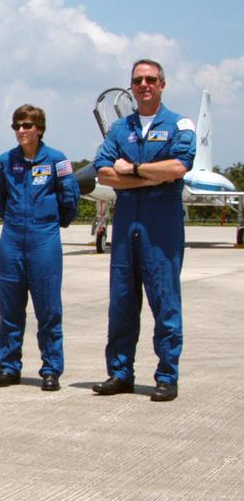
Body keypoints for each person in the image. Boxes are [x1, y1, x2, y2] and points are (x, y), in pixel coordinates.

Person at [92, 59, 195, 402]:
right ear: (132, 86)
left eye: (151, 79)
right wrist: (150, 174)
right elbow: (104, 172)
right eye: (138, 80)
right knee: (121, 304)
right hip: (126, 230)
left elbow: (177, 167)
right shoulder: (121, 129)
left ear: (162, 84)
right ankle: (120, 373)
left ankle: (167, 376)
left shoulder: (180, 124)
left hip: (161, 229)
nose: (144, 85)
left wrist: (133, 169)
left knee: (165, 303)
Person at [0, 105, 80, 391]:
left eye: (27, 125)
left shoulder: (57, 160)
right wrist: (16, 221)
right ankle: (8, 367)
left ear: (39, 129)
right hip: (12, 239)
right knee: (10, 310)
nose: (21, 130)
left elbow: (70, 199)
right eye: (17, 125)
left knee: (48, 309)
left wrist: (51, 223)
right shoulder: (5, 161)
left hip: (44, 240)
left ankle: (51, 369)